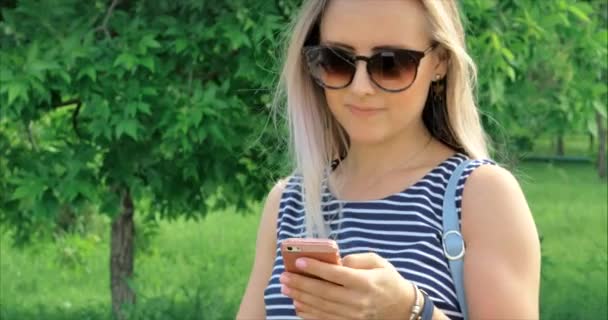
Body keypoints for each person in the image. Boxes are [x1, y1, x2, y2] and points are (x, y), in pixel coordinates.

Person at [237, 0, 541, 319]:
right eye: (337, 60)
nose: (361, 86)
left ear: (440, 62)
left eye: (391, 64)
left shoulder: (480, 195)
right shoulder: (288, 202)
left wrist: (409, 310)